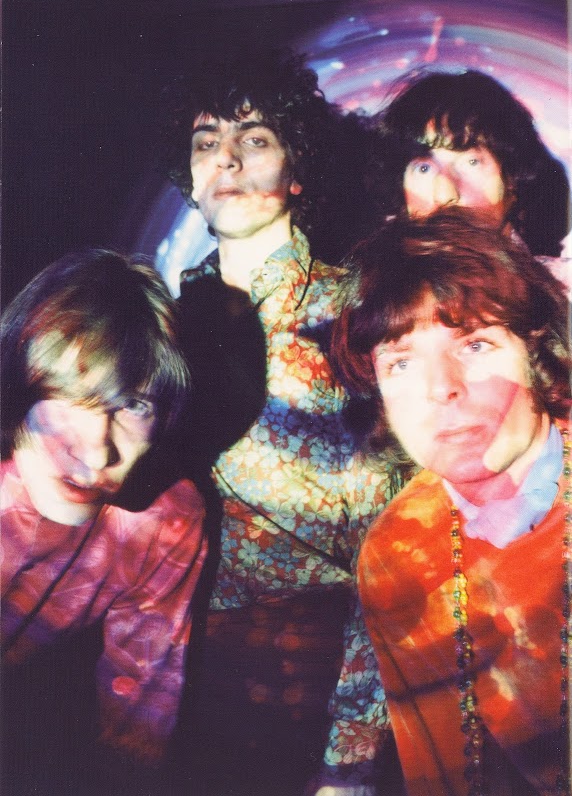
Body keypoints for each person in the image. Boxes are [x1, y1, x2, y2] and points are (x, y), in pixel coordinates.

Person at [163, 47, 402, 795]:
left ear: (297, 172)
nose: (226, 159)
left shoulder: (354, 311)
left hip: (312, 686)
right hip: (173, 677)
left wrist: (348, 765)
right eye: (207, 141)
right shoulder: (158, 320)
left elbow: (386, 552)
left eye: (255, 138)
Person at [332, 208, 571, 795]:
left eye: (475, 343)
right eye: (401, 362)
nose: (442, 388)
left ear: (533, 348)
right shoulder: (395, 553)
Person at [1, 250, 207, 794]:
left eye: (133, 405)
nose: (96, 453)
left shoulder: (161, 521)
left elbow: (136, 725)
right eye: (70, 394)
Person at [371, 69, 570, 260]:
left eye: (471, 162)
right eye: (424, 168)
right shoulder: (371, 278)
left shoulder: (557, 282)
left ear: (512, 180)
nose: (445, 195)